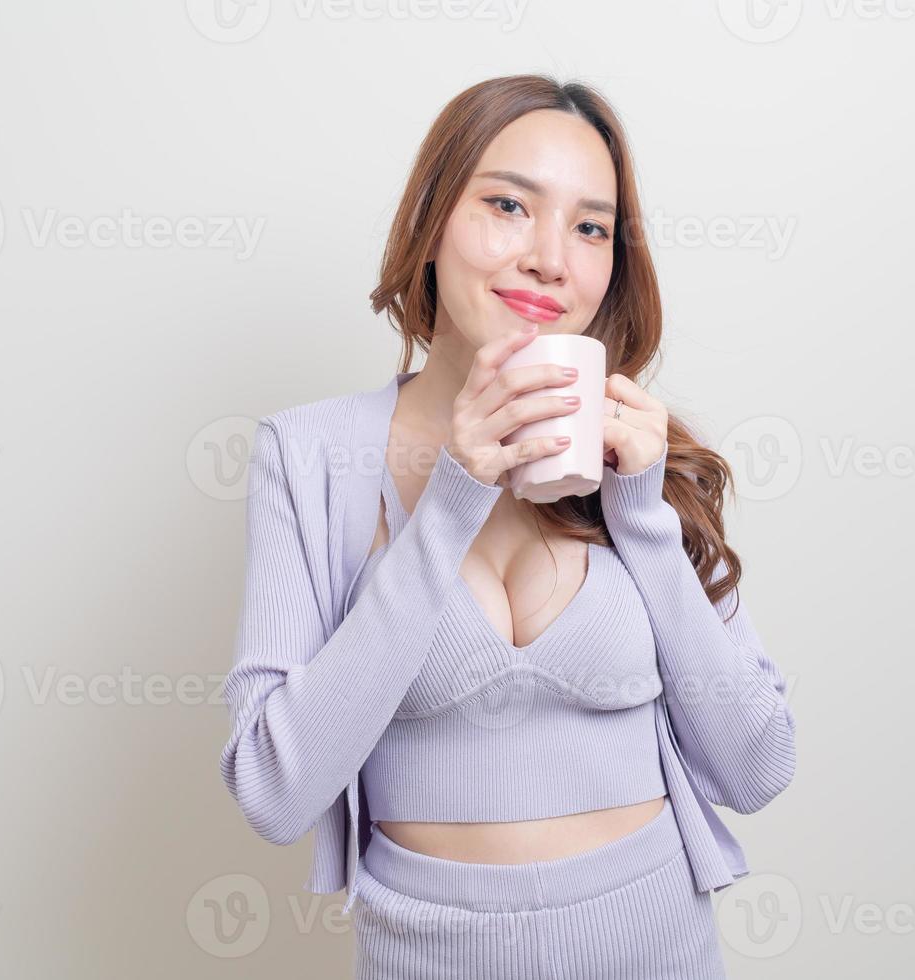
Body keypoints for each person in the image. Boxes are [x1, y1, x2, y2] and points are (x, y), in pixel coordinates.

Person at [219, 74, 797, 979]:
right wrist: (449, 501)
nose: (549, 259)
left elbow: (758, 764)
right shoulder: (310, 455)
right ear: (432, 220)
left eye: (590, 227)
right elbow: (275, 789)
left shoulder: (639, 458)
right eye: (507, 206)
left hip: (657, 943)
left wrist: (641, 519)